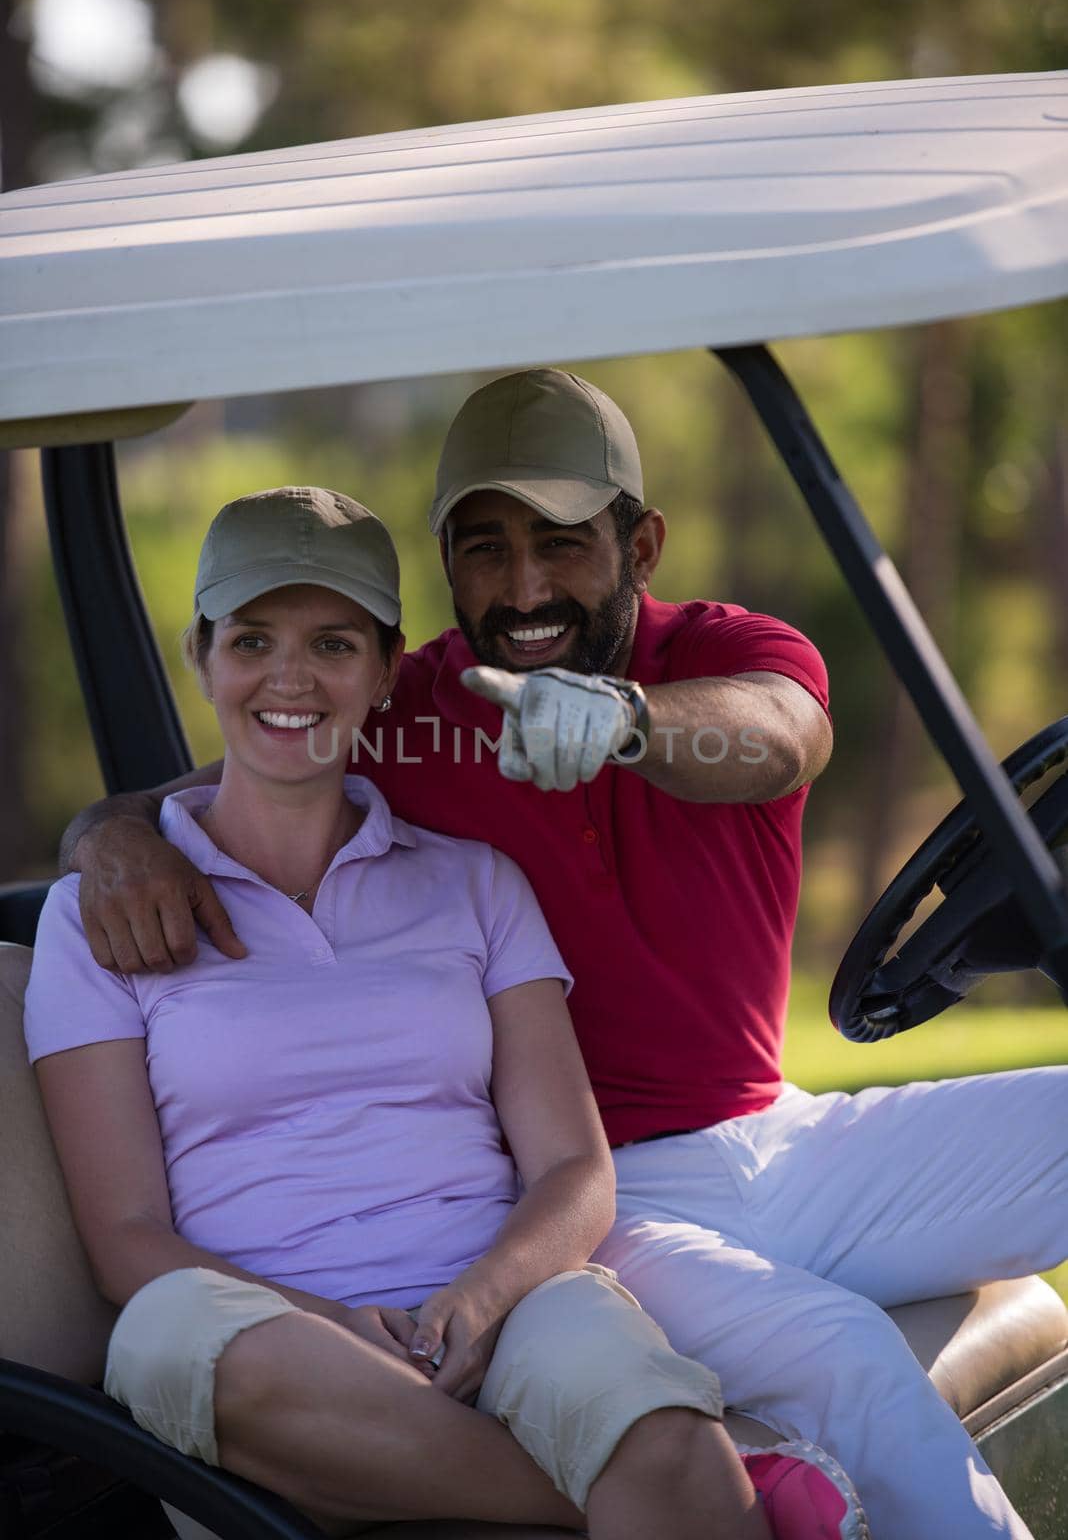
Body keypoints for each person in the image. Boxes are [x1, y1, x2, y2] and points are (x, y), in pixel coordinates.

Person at [61, 370, 1066, 1538]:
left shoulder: (726, 653)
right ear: (446, 562)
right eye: (486, 548)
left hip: (778, 1130)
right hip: (606, 1189)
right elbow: (240, 770)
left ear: (641, 543)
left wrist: (629, 722)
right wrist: (106, 831)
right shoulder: (412, 706)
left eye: (562, 543)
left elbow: (780, 737)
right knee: (845, 1358)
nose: (525, 585)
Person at [25, 485, 866, 1540]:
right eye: (252, 639)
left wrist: (474, 1302)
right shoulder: (100, 914)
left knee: (652, 1422)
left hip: (501, 1306)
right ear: (201, 655)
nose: (290, 678)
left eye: (333, 644)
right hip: (267, 1339)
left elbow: (574, 1169)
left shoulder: (474, 883)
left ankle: (670, 1476)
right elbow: (126, 1237)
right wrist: (336, 1330)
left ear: (386, 673)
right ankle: (654, 1499)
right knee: (166, 1335)